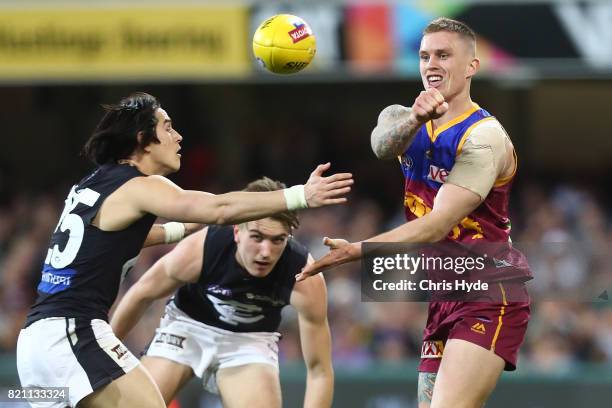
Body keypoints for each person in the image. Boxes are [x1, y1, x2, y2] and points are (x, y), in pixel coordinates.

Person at [16, 92, 350, 408]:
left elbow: (115, 242)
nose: (178, 137)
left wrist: (178, 231)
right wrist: (300, 196)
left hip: (39, 345)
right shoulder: (138, 185)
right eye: (167, 128)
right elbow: (218, 209)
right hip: (74, 336)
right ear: (142, 140)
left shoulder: (95, 184)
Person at [296, 17, 532, 408]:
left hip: (490, 291)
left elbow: (437, 223)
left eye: (443, 55)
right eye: (424, 56)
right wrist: (417, 117)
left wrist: (357, 251)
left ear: (472, 66)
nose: (431, 64)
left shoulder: (483, 137)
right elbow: (382, 145)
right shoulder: (401, 116)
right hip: (444, 291)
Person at [110, 177, 333, 408]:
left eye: (277, 240)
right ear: (237, 231)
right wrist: (104, 355)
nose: (266, 252)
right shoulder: (201, 249)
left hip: (250, 341)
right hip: (187, 327)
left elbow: (320, 371)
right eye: (257, 237)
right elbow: (141, 294)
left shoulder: (304, 275)